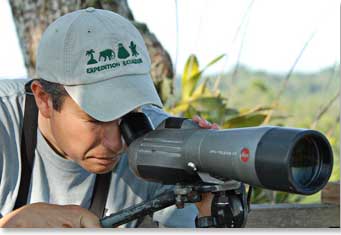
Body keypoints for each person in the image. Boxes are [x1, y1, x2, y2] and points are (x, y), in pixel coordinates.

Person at [0, 8, 217, 228]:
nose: (116, 144)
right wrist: (12, 225)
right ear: (44, 99)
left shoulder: (159, 143)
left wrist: (210, 203)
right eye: (96, 118)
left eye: (130, 115)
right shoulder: (3, 122)